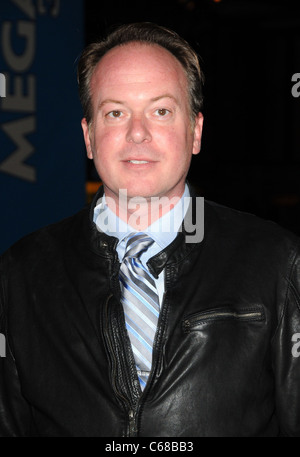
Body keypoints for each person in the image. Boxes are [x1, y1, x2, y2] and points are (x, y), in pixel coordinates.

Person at [0, 22, 299, 438]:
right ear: (89, 137)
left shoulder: (277, 261)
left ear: (195, 131)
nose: (137, 133)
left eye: (161, 111)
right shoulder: (21, 272)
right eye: (115, 112)